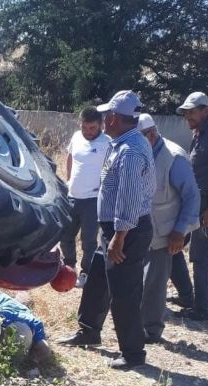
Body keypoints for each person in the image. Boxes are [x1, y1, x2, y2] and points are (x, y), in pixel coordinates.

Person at [59, 91, 155, 370]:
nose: (101, 121)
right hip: (112, 229)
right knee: (97, 281)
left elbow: (129, 198)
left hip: (126, 231)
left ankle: (133, 353)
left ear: (112, 118)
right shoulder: (123, 143)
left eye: (104, 117)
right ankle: (88, 330)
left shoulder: (130, 151)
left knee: (124, 292)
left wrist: (119, 237)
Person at [137, 114, 200, 343]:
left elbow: (192, 197)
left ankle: (151, 331)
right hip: (139, 228)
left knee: (153, 283)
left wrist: (180, 231)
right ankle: (136, 322)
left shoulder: (174, 158)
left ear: (151, 135)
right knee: (138, 280)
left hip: (165, 232)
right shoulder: (139, 153)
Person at [169, 92, 208, 321]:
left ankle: (202, 310)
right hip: (192, 204)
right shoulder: (198, 133)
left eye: (192, 111)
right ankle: (186, 296)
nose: (187, 116)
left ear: (205, 110)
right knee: (171, 244)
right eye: (186, 112)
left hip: (207, 206)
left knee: (200, 256)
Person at [60, 106, 110, 288]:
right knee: (65, 234)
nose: (88, 132)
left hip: (93, 199)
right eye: (85, 127)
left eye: (92, 128)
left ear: (101, 125)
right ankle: (69, 267)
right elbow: (70, 157)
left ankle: (85, 271)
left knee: (88, 239)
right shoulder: (75, 137)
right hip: (72, 196)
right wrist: (68, 179)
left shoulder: (107, 143)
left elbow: (111, 169)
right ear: (80, 124)